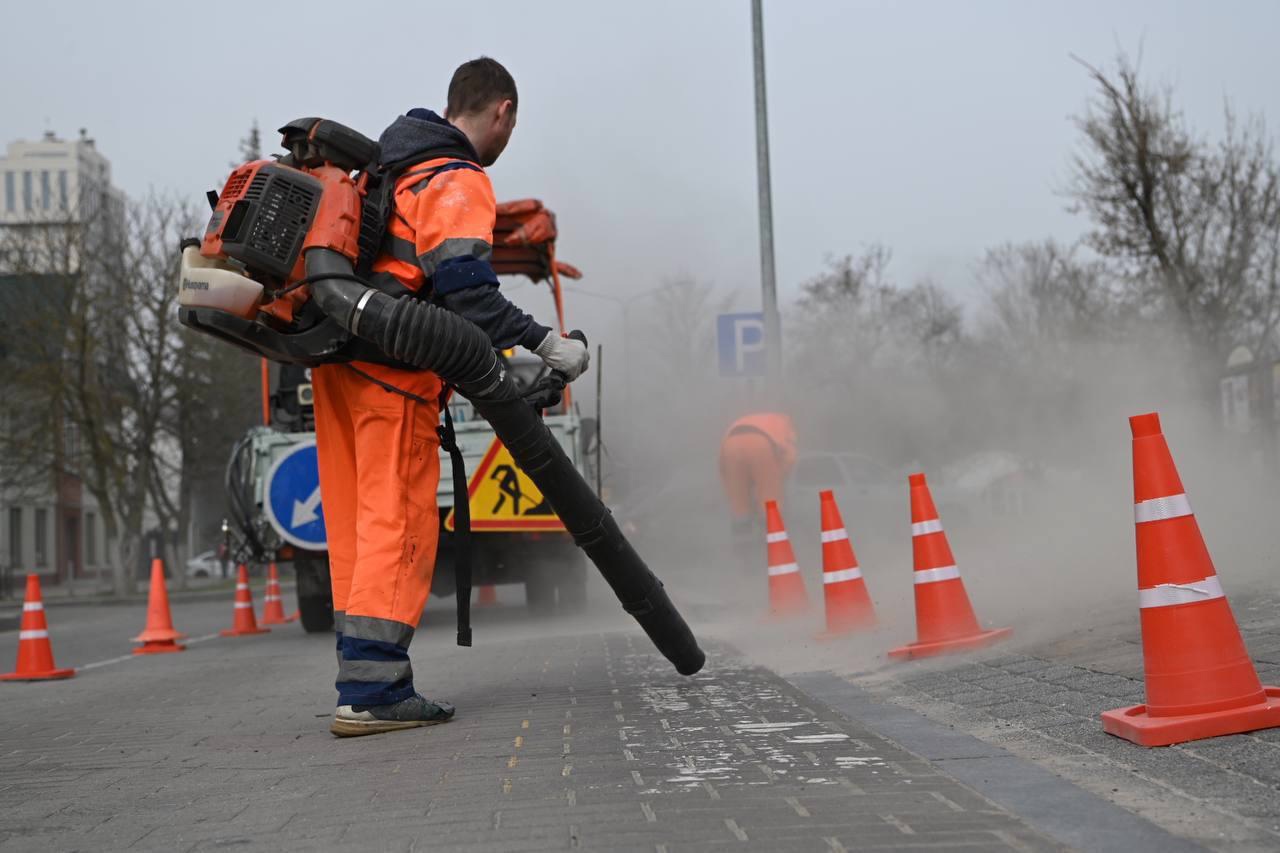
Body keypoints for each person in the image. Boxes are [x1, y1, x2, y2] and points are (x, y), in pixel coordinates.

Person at [313, 57, 590, 737]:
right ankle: (373, 693)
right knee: (399, 520)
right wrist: (547, 344)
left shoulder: (392, 165)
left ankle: (364, 676)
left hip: (336, 365)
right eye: (511, 126)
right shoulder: (457, 176)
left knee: (355, 524)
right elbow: (468, 293)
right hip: (393, 374)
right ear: (502, 111)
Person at [718, 411, 798, 541]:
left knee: (739, 504)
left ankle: (743, 543)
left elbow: (723, 469)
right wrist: (780, 475)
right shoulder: (785, 422)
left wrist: (733, 486)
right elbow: (789, 456)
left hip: (730, 445)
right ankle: (772, 540)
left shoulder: (743, 420)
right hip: (760, 444)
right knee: (770, 499)